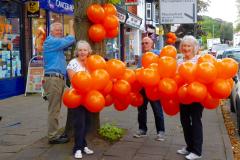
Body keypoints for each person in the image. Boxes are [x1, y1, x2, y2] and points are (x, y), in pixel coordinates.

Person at [42, 20, 75, 144]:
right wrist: (71, 25)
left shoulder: (56, 44)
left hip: (58, 79)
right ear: (51, 31)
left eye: (61, 31)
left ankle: (54, 133)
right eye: (57, 30)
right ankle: (53, 136)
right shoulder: (51, 41)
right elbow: (71, 39)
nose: (60, 32)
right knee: (54, 109)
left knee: (56, 108)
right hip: (53, 79)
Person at [133, 36, 165, 141]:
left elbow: (164, 66)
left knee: (157, 109)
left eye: (146, 43)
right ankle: (142, 129)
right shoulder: (141, 56)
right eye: (142, 43)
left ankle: (161, 132)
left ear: (152, 44)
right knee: (141, 109)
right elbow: (138, 70)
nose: (144, 45)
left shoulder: (157, 54)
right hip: (142, 87)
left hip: (153, 87)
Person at [177, 35, 203, 160]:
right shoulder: (179, 61)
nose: (186, 48)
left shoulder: (199, 59)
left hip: (196, 95)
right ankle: (189, 147)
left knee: (196, 121)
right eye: (184, 46)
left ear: (194, 48)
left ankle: (197, 151)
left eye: (189, 46)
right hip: (183, 95)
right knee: (185, 122)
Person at [67, 40, 94, 159]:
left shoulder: (92, 63)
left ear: (89, 51)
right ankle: (77, 148)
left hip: (90, 97)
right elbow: (73, 81)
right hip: (76, 97)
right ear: (76, 52)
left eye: (85, 50)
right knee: (79, 123)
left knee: (88, 123)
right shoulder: (73, 63)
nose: (82, 52)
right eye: (80, 50)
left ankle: (83, 145)